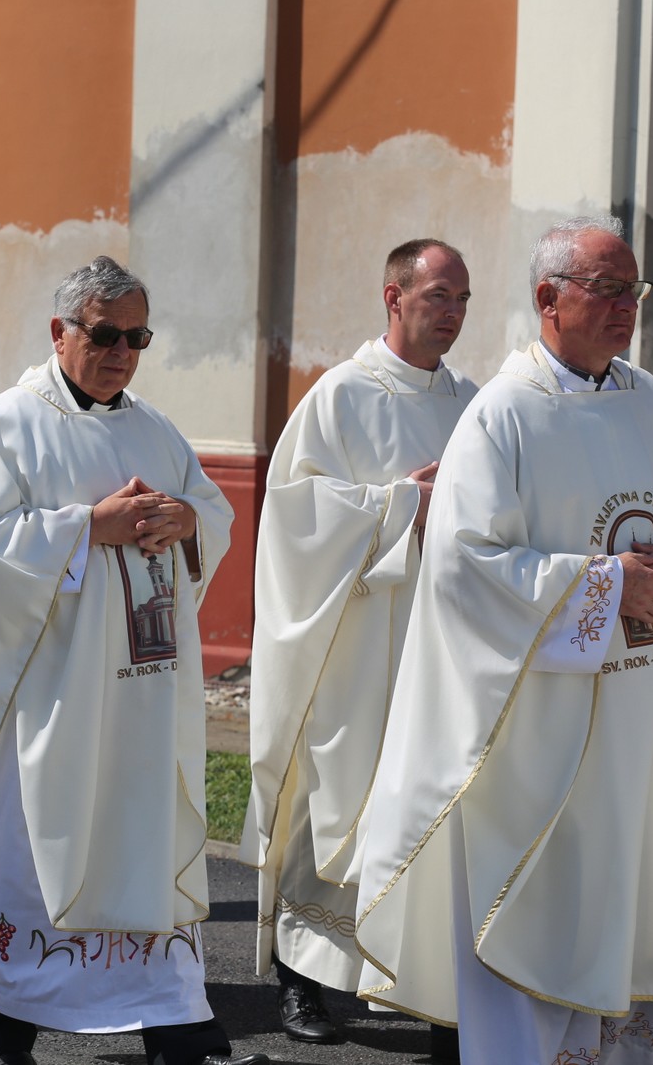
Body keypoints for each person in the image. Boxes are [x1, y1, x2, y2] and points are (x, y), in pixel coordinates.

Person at [351, 217, 653, 1064]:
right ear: (547, 299)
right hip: (531, 740)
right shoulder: (503, 416)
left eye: (633, 290)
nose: (625, 306)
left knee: (619, 920)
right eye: (606, 289)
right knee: (530, 923)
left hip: (633, 724)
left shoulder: (652, 403)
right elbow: (464, 566)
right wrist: (606, 585)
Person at [0, 257, 264, 1065]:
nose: (123, 350)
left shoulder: (154, 430)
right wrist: (87, 525)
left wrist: (181, 518)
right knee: (40, 844)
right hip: (51, 692)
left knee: (143, 836)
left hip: (143, 685)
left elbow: (213, 514)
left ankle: (173, 1013)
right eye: (105, 333)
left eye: (138, 336)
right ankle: (6, 1018)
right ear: (60, 332)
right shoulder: (10, 424)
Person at [238, 238, 477, 1046]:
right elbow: (297, 514)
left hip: (440, 639)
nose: (451, 314)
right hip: (355, 634)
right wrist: (402, 504)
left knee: (428, 801)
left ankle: (413, 977)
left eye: (461, 301)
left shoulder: (477, 402)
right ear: (393, 296)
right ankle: (302, 979)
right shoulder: (342, 396)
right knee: (333, 795)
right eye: (437, 296)